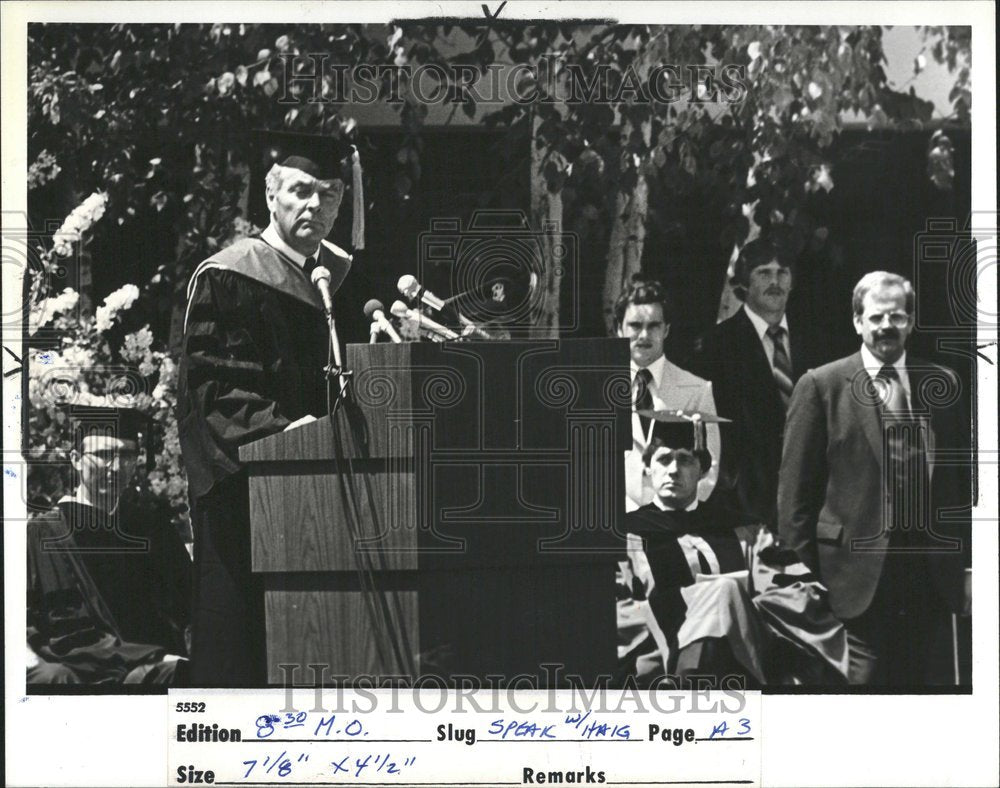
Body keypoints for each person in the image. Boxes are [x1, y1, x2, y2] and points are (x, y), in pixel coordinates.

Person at [177, 130, 358, 686]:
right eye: (302, 191)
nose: (316, 206)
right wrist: (285, 432)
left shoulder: (336, 281)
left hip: (329, 496)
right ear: (272, 193)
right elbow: (212, 392)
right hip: (247, 498)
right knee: (243, 654)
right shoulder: (231, 276)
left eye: (330, 194)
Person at [778, 271, 971, 686]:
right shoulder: (821, 386)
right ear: (857, 322)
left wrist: (965, 566)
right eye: (877, 317)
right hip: (849, 585)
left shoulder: (942, 385)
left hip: (930, 580)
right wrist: (809, 586)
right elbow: (794, 501)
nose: (887, 326)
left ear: (911, 320)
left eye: (897, 317)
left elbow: (959, 487)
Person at [616, 416, 847, 688]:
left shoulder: (745, 530)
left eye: (686, 459)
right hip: (661, 659)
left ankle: (689, 680)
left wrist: (736, 611)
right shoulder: (624, 536)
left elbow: (794, 590)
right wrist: (687, 606)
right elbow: (616, 611)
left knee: (725, 592)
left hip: (744, 657)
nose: (674, 470)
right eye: (664, 459)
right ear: (647, 467)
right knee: (722, 591)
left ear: (703, 470)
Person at [27, 406, 191, 685]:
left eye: (127, 455)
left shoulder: (152, 530)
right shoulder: (41, 533)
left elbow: (188, 606)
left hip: (150, 667)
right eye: (103, 455)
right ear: (77, 460)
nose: (116, 467)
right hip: (73, 668)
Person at [691, 238, 813, 529]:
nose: (775, 281)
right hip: (745, 506)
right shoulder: (714, 347)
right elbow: (705, 431)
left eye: (782, 272)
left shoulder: (814, 341)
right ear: (744, 282)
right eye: (763, 272)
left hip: (811, 501)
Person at [615, 279, 720, 510]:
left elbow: (707, 469)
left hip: (672, 529)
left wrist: (674, 519)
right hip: (611, 527)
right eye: (635, 325)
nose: (644, 335)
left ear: (667, 330)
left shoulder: (697, 391)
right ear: (619, 329)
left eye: (653, 326)